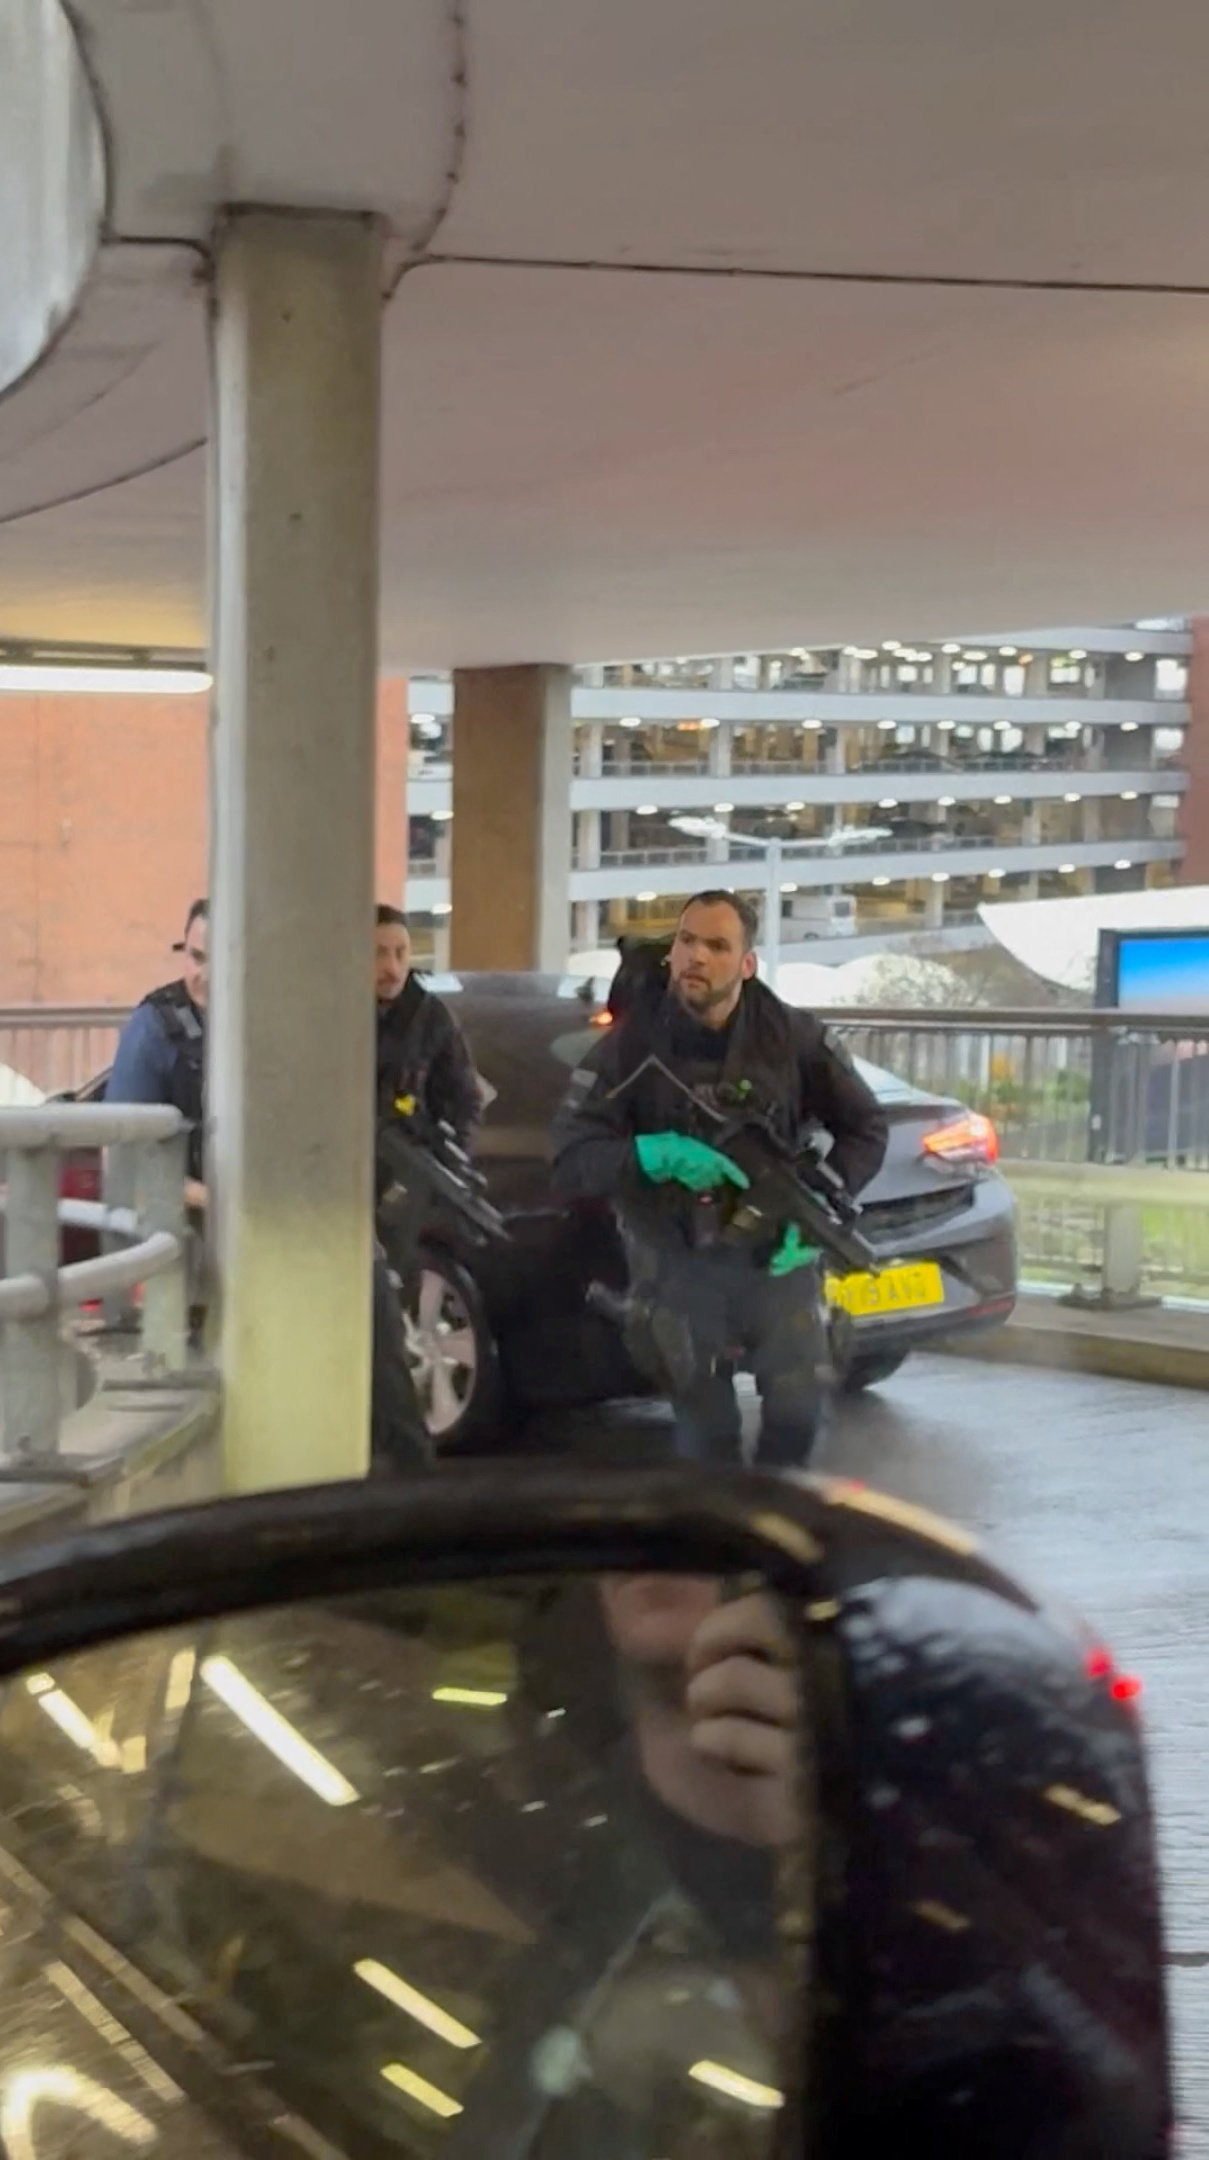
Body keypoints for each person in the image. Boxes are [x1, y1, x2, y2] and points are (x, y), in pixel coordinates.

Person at [550, 889, 888, 1465]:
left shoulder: (793, 1038)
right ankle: (715, 1517)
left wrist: (819, 1204)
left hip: (775, 1260)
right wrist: (651, 1155)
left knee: (797, 1413)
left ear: (747, 963)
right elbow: (571, 1157)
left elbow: (867, 1128)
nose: (696, 957)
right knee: (708, 1436)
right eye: (687, 941)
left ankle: (775, 1510)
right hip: (677, 1264)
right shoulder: (630, 1046)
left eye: (717, 945)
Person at [107, 898, 209, 1209]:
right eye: (197, 957)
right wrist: (214, 1201)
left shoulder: (277, 1020)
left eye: (222, 960)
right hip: (182, 1223)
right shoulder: (155, 1028)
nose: (205, 975)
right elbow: (123, 1157)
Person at [375, 905, 480, 1147]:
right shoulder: (337, 1017)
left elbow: (464, 1100)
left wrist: (449, 1152)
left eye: (400, 953)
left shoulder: (432, 1018)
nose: (392, 968)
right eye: (379, 953)